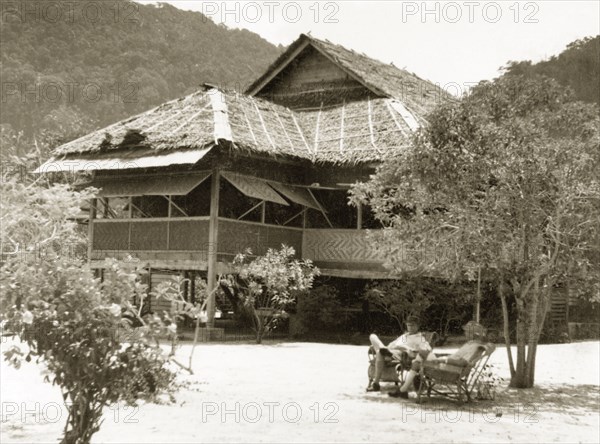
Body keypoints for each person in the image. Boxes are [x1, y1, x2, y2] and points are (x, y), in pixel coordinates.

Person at [389, 320, 488, 399]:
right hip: (447, 366)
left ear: (473, 333)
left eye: (467, 331)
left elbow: (463, 362)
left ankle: (403, 390)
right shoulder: (470, 344)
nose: (465, 333)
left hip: (450, 369)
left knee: (420, 357)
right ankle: (403, 390)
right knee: (419, 359)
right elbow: (457, 357)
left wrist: (443, 360)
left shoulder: (475, 346)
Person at [366, 315, 432, 392]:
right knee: (372, 336)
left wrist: (407, 349)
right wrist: (389, 348)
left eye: (412, 325)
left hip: (401, 354)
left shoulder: (420, 338)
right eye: (408, 325)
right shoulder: (404, 336)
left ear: (418, 326)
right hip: (390, 350)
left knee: (379, 353)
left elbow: (426, 349)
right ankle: (383, 350)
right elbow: (392, 344)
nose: (410, 327)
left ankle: (376, 384)